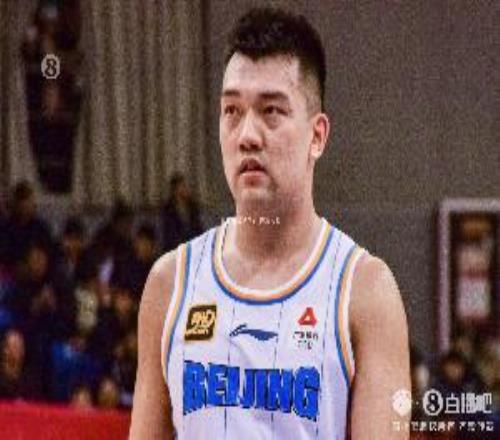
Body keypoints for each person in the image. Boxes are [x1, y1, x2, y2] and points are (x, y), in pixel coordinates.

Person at [130, 7, 410, 439]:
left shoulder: (366, 293)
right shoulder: (170, 284)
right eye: (232, 111)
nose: (247, 135)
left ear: (317, 135)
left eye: (271, 111)